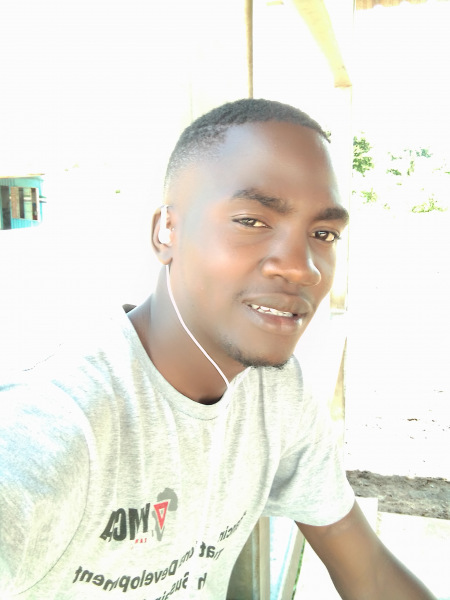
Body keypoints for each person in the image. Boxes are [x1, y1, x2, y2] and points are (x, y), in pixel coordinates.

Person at [0, 98, 436, 599]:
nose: (303, 268)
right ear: (166, 231)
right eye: (252, 221)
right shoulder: (51, 427)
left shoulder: (275, 391)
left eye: (323, 234)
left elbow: (367, 568)